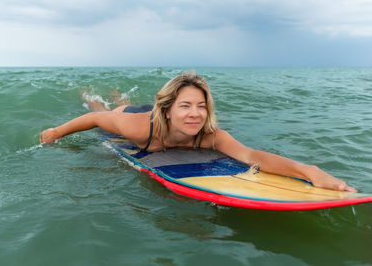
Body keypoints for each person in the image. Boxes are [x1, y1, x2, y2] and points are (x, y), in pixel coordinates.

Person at [39, 71, 357, 192]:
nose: (195, 113)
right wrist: (55, 132)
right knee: (103, 111)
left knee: (121, 105)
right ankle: (91, 94)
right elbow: (95, 123)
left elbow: (250, 156)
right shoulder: (139, 129)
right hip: (134, 118)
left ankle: (120, 94)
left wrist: (307, 170)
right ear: (168, 109)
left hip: (156, 116)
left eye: (201, 106)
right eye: (186, 105)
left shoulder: (209, 135)